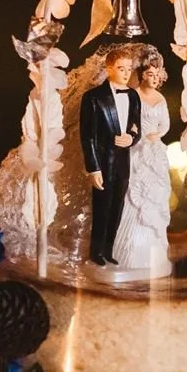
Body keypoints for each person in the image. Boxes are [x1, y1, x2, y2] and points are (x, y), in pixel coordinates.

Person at [80, 44, 146, 265]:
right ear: (109, 68)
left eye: (129, 69)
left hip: (122, 162)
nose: (126, 73)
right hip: (103, 161)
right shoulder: (93, 98)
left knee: (117, 206)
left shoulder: (133, 96)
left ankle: (109, 250)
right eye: (121, 68)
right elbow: (88, 136)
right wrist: (93, 168)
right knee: (101, 207)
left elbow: (136, 126)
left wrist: (131, 138)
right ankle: (96, 252)